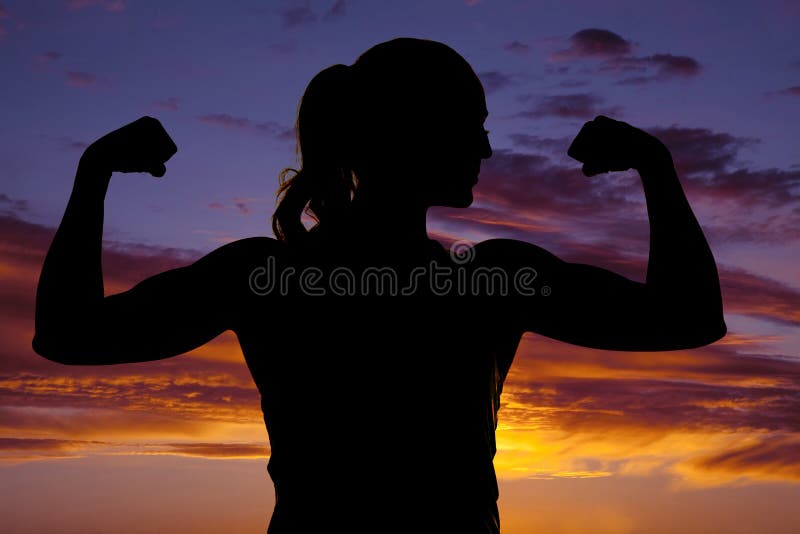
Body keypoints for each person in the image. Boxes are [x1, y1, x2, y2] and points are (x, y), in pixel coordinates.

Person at [33, 38, 726, 533]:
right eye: (470, 128)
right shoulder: (490, 281)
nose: (485, 150)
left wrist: (95, 174)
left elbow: (70, 334)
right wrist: (654, 168)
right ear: (408, 132)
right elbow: (686, 317)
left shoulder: (264, 277)